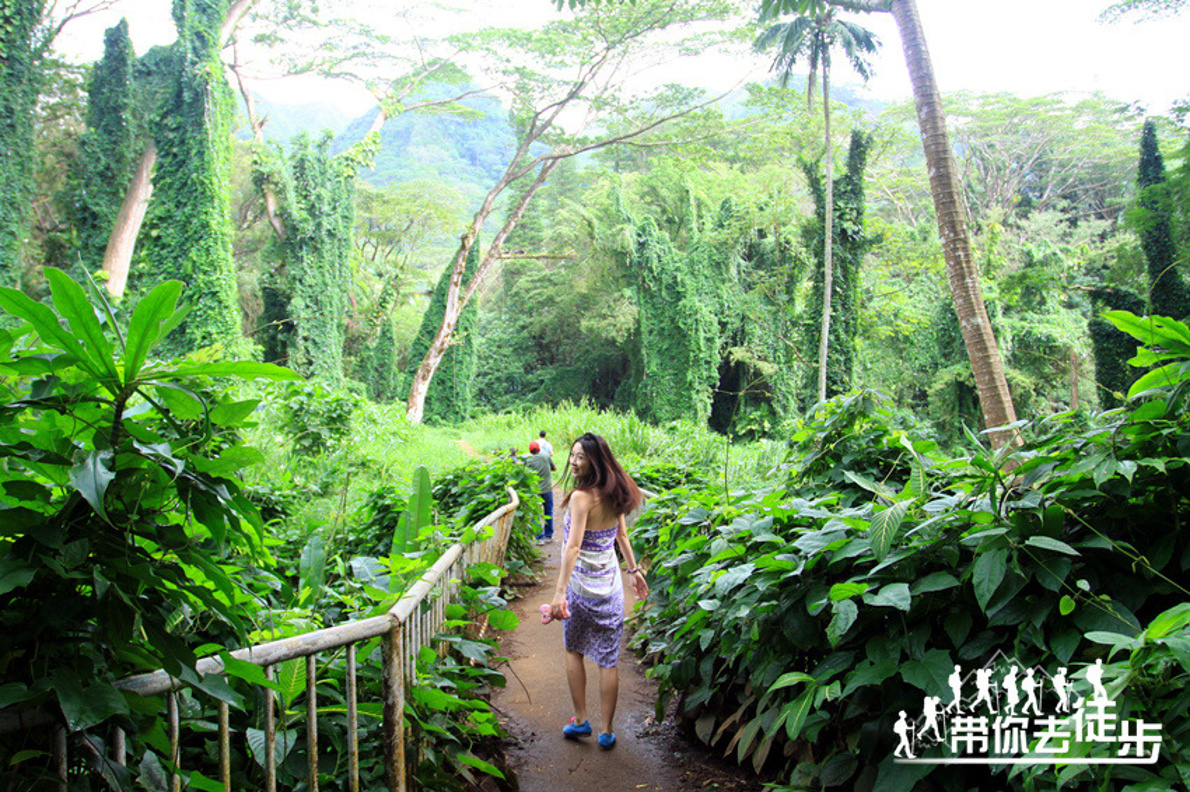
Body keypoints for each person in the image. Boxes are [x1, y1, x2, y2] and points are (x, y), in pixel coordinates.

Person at [549, 432, 648, 751]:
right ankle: (606, 730)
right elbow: (622, 537)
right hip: (610, 589)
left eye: (580, 457)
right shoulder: (615, 491)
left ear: (595, 460)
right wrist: (633, 571)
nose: (573, 462)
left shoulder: (581, 498)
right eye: (572, 455)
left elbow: (574, 546)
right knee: (608, 660)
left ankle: (581, 720)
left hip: (580, 589)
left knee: (573, 650)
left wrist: (559, 592)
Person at [524, 440, 554, 543]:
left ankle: (539, 537)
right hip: (548, 490)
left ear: (530, 451)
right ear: (539, 449)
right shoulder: (546, 456)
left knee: (535, 514)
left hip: (536, 492)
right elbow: (554, 468)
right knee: (548, 512)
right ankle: (549, 535)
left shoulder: (528, 460)